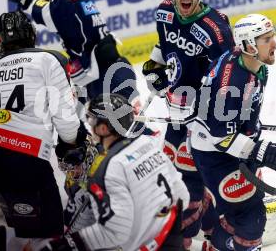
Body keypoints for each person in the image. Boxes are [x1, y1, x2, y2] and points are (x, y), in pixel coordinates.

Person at [141, 0, 234, 249]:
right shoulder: (164, 12)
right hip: (177, 107)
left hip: (203, 115)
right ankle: (192, 227)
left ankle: (207, 232)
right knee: (172, 168)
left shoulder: (215, 26)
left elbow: (229, 73)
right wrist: (153, 70)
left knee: (195, 173)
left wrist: (218, 113)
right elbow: (162, 46)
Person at [0, 11, 89, 249]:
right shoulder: (48, 59)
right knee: (51, 238)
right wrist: (71, 145)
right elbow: (67, 122)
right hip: (30, 166)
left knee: (26, 230)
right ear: (31, 34)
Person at [189, 14, 276, 251]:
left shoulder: (255, 65)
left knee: (249, 207)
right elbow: (220, 136)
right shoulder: (230, 85)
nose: (275, 43)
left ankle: (217, 237)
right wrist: (260, 151)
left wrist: (252, 134)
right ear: (249, 45)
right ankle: (221, 234)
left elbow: (242, 113)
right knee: (252, 216)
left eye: (272, 37)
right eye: (267, 39)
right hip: (214, 154)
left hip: (231, 143)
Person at [39, 93, 190, 251]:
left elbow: (116, 232)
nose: (90, 127)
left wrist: (66, 244)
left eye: (92, 121)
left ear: (103, 128)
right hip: (173, 237)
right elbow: (183, 197)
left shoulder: (107, 168)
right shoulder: (149, 145)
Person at [7, 0, 139, 105]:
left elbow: (43, 13)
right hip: (108, 73)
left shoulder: (64, 2)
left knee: (121, 126)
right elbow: (49, 13)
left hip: (109, 78)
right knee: (98, 122)